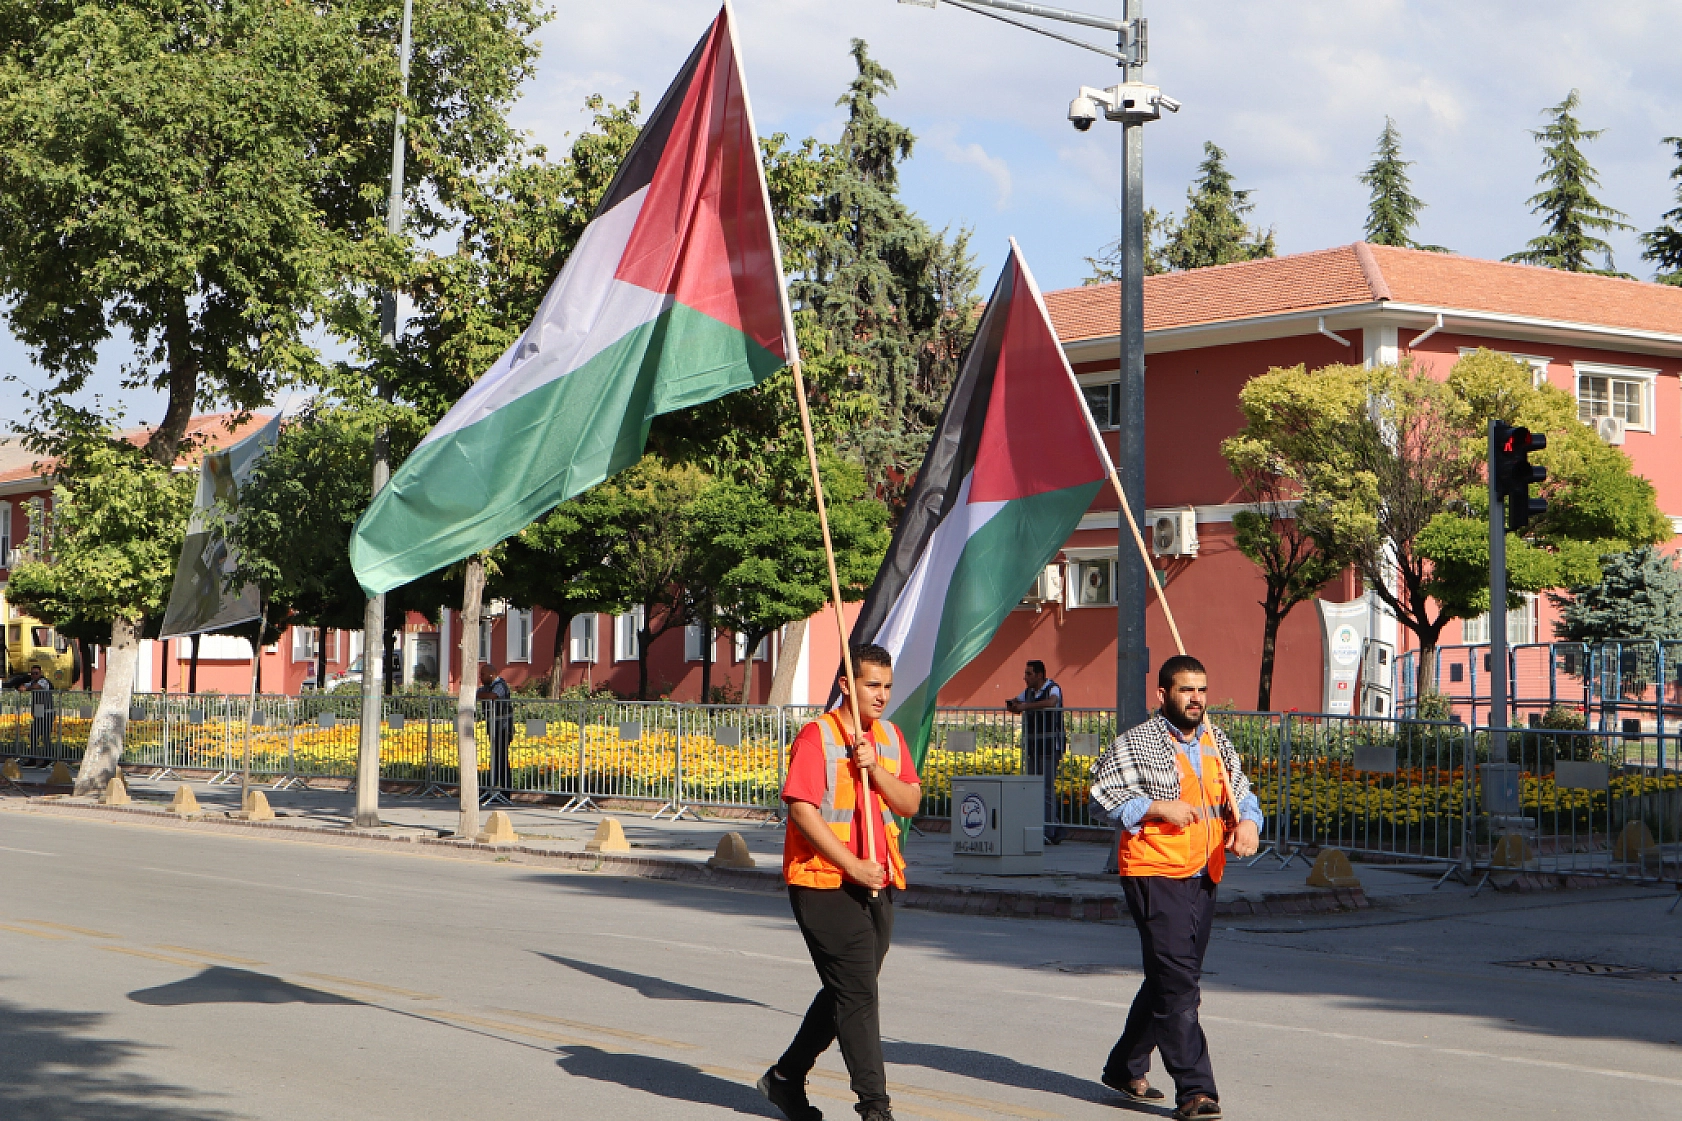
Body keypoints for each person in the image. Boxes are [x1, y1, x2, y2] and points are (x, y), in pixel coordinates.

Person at [1087, 655, 1262, 1120]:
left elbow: (1242, 792)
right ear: (1162, 695)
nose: (1196, 699)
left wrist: (1249, 822)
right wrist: (1156, 808)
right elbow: (1101, 795)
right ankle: (1196, 1090)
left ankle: (1125, 1066)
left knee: (1172, 978)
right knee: (1179, 983)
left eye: (1201, 689)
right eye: (1186, 690)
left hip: (1204, 871)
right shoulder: (1137, 742)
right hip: (1154, 870)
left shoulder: (1216, 740)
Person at [760, 644, 922, 1121]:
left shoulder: (888, 737)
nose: (882, 695)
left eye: (888, 686)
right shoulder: (818, 736)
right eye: (873, 685)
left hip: (875, 879)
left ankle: (785, 1078)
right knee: (858, 992)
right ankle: (876, 1108)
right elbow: (801, 810)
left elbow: (910, 802)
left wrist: (876, 771)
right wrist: (851, 864)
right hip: (821, 881)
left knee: (847, 989)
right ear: (848, 685)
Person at [1006, 659, 1066, 844]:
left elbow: (1052, 702)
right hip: (1034, 747)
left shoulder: (1053, 688)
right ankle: (1037, 827)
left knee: (1046, 790)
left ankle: (1050, 830)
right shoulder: (1029, 692)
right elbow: (1018, 701)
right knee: (1032, 788)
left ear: (1040, 675)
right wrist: (1014, 706)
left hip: (1049, 747)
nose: (1025, 678)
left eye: (1029, 674)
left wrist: (1025, 707)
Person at [476, 663, 513, 802]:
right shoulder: (486, 686)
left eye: (483, 674)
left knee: (501, 760)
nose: (480, 677)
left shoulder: (500, 685)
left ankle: (504, 792)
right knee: (496, 760)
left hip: (503, 729)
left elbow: (492, 696)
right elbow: (478, 693)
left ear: (492, 674)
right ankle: (492, 790)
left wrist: (480, 695)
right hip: (494, 728)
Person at [22, 665, 54, 757]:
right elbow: (23, 686)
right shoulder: (32, 682)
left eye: (36, 673)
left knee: (45, 737)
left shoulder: (44, 681)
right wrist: (22, 686)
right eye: (32, 673)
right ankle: (33, 758)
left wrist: (26, 689)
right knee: (33, 735)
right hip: (38, 714)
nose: (34, 675)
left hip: (47, 713)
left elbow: (37, 687)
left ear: (40, 673)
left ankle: (47, 759)